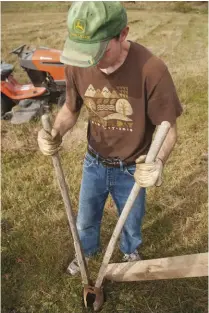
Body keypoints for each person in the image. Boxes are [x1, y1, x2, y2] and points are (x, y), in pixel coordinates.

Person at [38, 1, 183, 275]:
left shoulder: (152, 70)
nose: (91, 60)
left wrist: (158, 161)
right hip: (94, 162)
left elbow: (168, 127)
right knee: (84, 221)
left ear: (123, 34)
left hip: (132, 167)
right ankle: (87, 253)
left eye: (98, 51)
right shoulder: (78, 63)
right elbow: (71, 109)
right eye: (84, 51)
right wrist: (55, 132)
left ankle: (130, 250)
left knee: (131, 221)